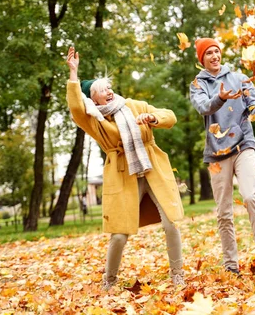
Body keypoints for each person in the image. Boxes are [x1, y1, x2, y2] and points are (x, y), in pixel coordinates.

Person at [65, 47, 185, 290]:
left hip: (153, 170)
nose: (108, 92)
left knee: (171, 223)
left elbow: (169, 116)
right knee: (119, 234)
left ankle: (178, 275)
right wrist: (74, 73)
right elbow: (76, 108)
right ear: (93, 99)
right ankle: (109, 281)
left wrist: (153, 119)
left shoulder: (133, 105)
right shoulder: (94, 120)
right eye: (101, 91)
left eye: (108, 87)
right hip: (123, 176)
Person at [189, 38, 255, 276]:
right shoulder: (197, 84)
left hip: (243, 145)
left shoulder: (239, 79)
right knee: (224, 213)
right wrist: (221, 98)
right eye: (208, 53)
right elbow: (204, 108)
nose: (214, 56)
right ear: (202, 59)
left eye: (217, 51)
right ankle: (231, 265)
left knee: (250, 197)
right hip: (216, 154)